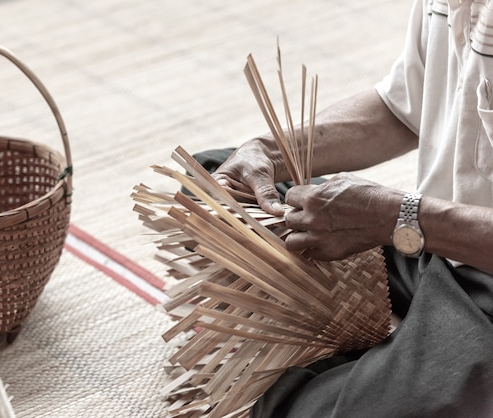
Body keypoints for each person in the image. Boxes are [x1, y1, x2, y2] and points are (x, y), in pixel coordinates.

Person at [201, 0, 493, 416]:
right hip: (436, 242)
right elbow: (398, 110)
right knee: (212, 179)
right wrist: (268, 153)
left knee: (298, 410)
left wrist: (396, 217)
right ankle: (407, 354)